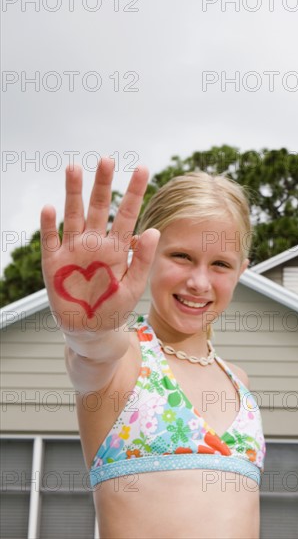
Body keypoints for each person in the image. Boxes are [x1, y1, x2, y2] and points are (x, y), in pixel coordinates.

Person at [40, 157, 266, 539]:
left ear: (241, 271)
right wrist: (89, 329)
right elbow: (92, 352)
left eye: (220, 264)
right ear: (143, 253)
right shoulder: (126, 361)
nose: (198, 281)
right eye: (182, 256)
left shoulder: (237, 381)